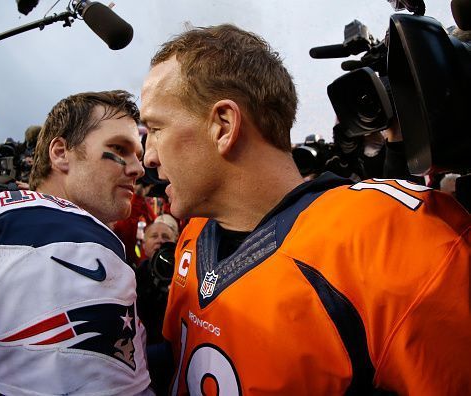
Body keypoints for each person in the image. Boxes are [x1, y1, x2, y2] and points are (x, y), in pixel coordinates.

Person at [140, 24, 471, 395]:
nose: (148, 157)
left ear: (223, 125)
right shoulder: (195, 234)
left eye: (156, 128)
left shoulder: (386, 239)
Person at [0, 90, 153, 395]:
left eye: (136, 153)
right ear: (60, 153)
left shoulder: (10, 216)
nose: (138, 168)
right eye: (119, 149)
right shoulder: (60, 238)